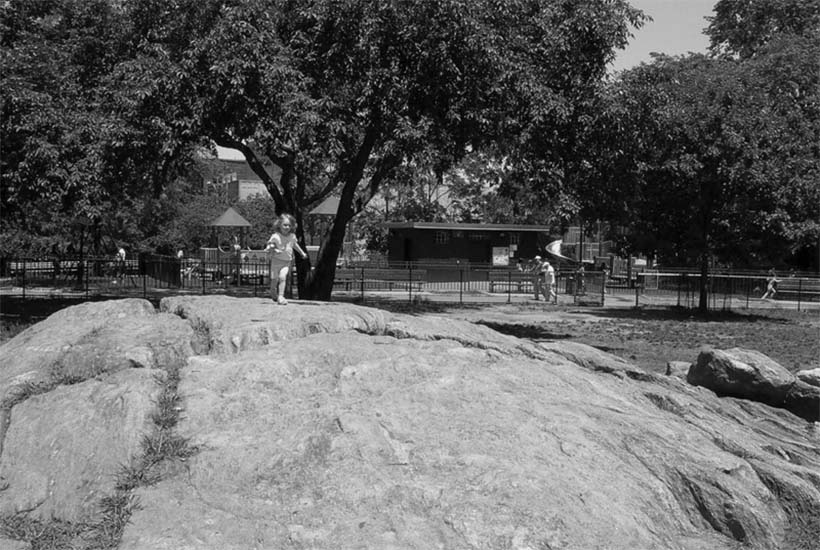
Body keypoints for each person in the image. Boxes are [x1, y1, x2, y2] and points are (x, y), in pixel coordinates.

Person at [266, 213, 308, 305]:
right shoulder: (275, 236)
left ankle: (281, 296)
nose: (287, 227)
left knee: (282, 277)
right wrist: (275, 249)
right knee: (274, 279)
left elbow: (295, 245)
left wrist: (302, 253)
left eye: (289, 225)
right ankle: (273, 291)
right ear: (279, 225)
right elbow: (269, 246)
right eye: (285, 225)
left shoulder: (292, 236)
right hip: (276, 261)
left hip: (286, 262)